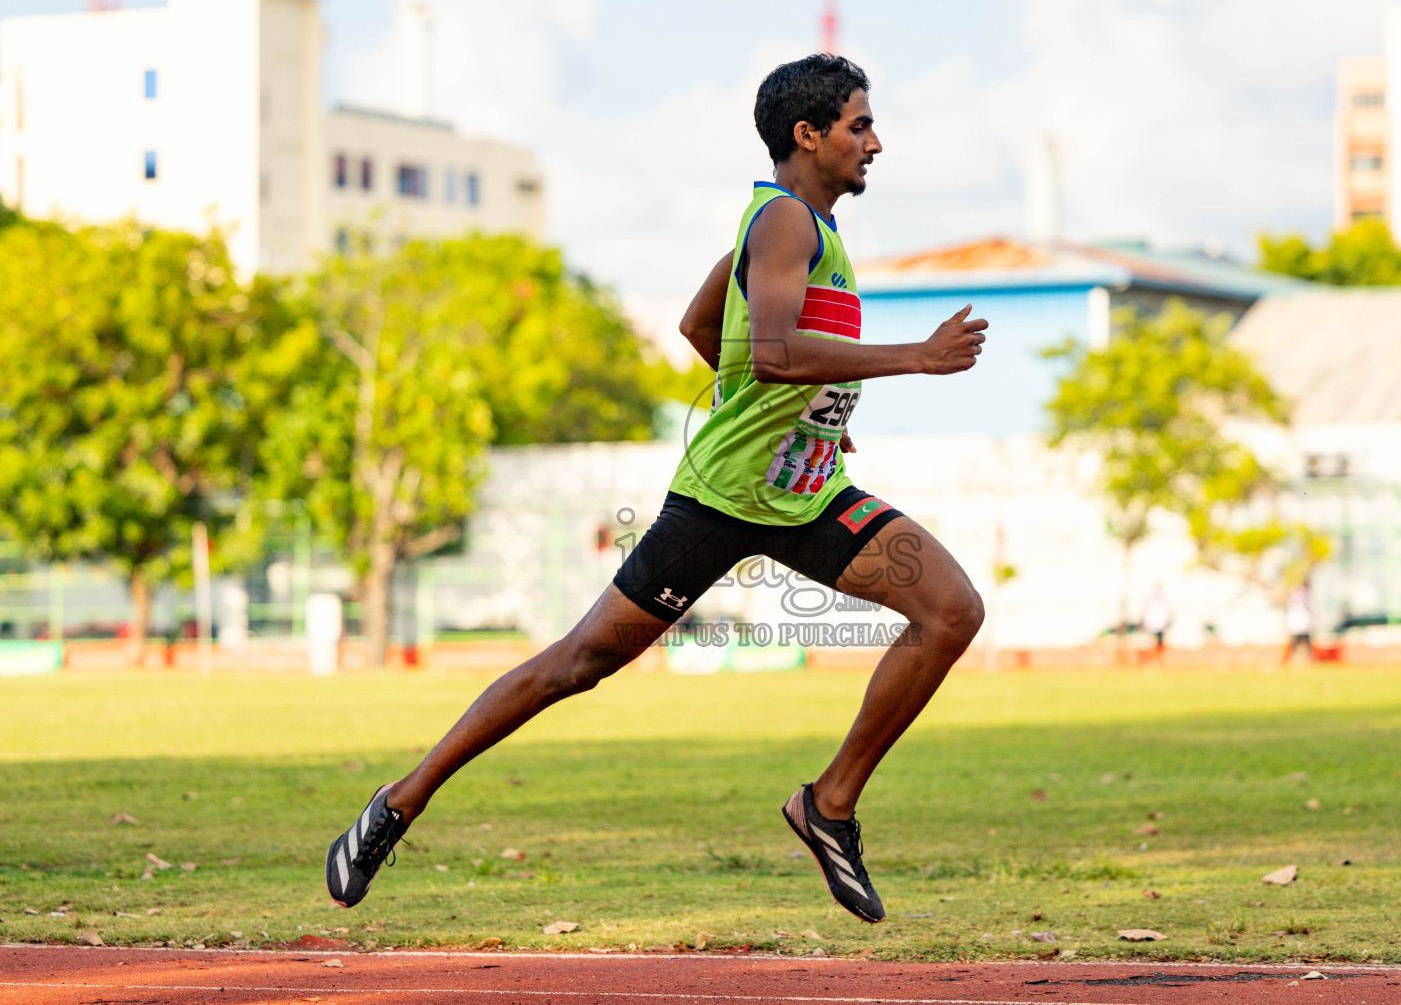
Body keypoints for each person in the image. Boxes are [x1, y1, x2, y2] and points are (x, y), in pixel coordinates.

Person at [324, 53, 988, 925]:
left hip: (806, 495)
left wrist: (804, 418)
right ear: (809, 134)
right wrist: (918, 357)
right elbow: (779, 352)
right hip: (720, 500)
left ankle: (827, 806)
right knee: (579, 663)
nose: (875, 143)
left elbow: (702, 325)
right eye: (859, 126)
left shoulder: (791, 229)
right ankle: (396, 804)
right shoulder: (784, 224)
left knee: (952, 610)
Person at [1282, 581, 1313, 664]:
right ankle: (1305, 660)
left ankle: (1297, 660)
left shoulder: (1292, 590)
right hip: (1303, 618)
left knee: (1297, 642)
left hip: (1294, 619)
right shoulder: (1306, 591)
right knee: (1304, 641)